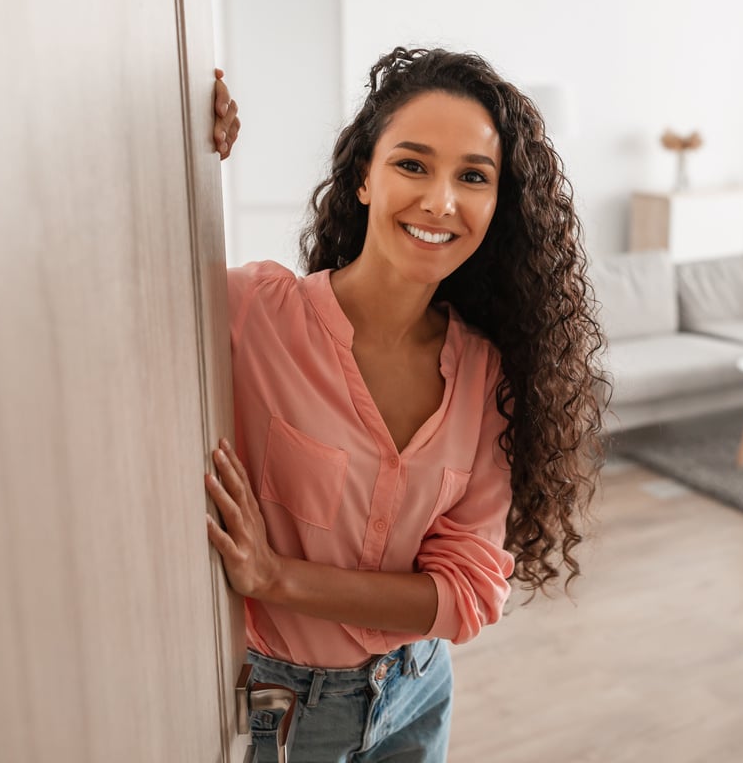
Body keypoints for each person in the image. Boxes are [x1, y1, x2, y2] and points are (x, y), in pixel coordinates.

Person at [204, 47, 606, 763]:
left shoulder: (488, 376)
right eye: (412, 164)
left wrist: (277, 578)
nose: (440, 201)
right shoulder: (251, 315)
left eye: (472, 177)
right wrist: (180, 146)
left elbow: (466, 597)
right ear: (364, 177)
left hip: (416, 690)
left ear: (496, 205)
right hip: (275, 704)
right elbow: (110, 269)